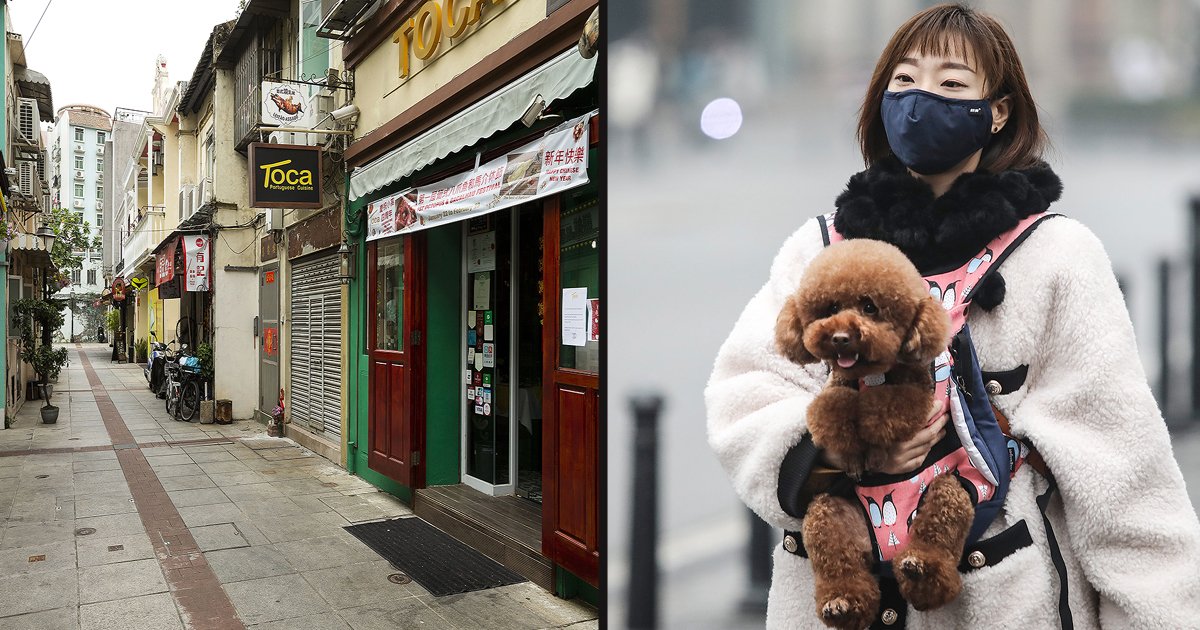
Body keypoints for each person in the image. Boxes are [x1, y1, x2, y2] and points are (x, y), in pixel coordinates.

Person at [705, 4, 1200, 629]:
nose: (920, 99)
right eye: (904, 80)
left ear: (998, 111)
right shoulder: (821, 248)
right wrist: (843, 454)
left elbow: (1124, 474)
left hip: (1001, 601)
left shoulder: (1057, 256)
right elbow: (742, 393)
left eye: (951, 84)